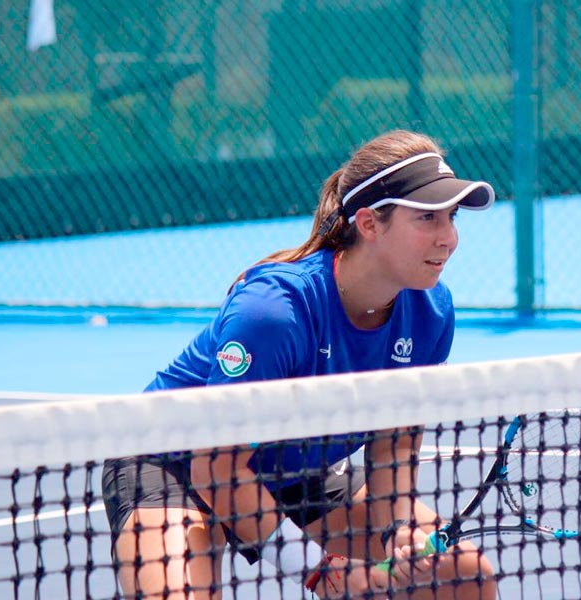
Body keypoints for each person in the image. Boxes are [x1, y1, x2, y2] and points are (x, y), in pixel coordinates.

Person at [102, 129, 498, 599]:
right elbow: (218, 466)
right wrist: (319, 570)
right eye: (428, 218)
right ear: (369, 224)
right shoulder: (274, 312)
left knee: (460, 575)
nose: (449, 238)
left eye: (451, 217)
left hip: (292, 472)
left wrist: (400, 527)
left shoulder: (430, 313)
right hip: (177, 463)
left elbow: (393, 445)